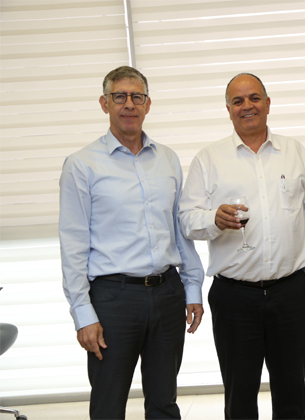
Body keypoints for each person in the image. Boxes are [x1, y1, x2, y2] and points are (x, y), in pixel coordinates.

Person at [178, 73, 305, 419]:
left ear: (268, 103)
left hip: (289, 293)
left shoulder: (294, 152)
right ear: (228, 110)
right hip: (234, 297)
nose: (247, 106)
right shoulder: (209, 159)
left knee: (292, 396)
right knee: (240, 397)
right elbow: (187, 220)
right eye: (238, 101)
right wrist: (213, 219)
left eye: (254, 98)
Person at [59, 66, 204, 420]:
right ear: (104, 103)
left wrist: (192, 288)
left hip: (167, 294)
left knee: (164, 403)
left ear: (148, 104)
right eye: (119, 96)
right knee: (108, 405)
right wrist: (82, 314)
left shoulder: (167, 159)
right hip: (113, 299)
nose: (129, 104)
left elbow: (178, 230)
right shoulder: (82, 165)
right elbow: (73, 244)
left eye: (136, 96)